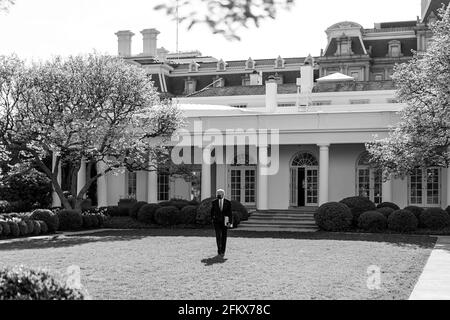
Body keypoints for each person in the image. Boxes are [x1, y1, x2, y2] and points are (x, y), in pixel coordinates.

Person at [210, 189, 233, 258]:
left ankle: (223, 250)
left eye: (220, 193)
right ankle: (219, 250)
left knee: (224, 236)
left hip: (225, 222)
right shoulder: (214, 202)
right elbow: (212, 212)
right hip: (216, 222)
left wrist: (230, 222)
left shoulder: (228, 202)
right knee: (218, 236)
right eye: (217, 193)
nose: (218, 195)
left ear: (223, 194)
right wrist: (212, 219)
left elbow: (230, 213)